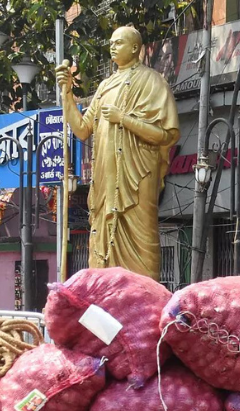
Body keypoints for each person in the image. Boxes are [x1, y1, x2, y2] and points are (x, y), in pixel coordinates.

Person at [56, 26, 179, 281]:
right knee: (102, 239)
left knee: (143, 236)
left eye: (119, 42)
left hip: (139, 175)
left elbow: (166, 135)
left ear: (135, 48)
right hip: (105, 179)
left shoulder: (152, 81)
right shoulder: (105, 86)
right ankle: (105, 292)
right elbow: (82, 130)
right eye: (111, 42)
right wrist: (66, 94)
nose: (112, 47)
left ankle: (146, 295)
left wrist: (124, 119)